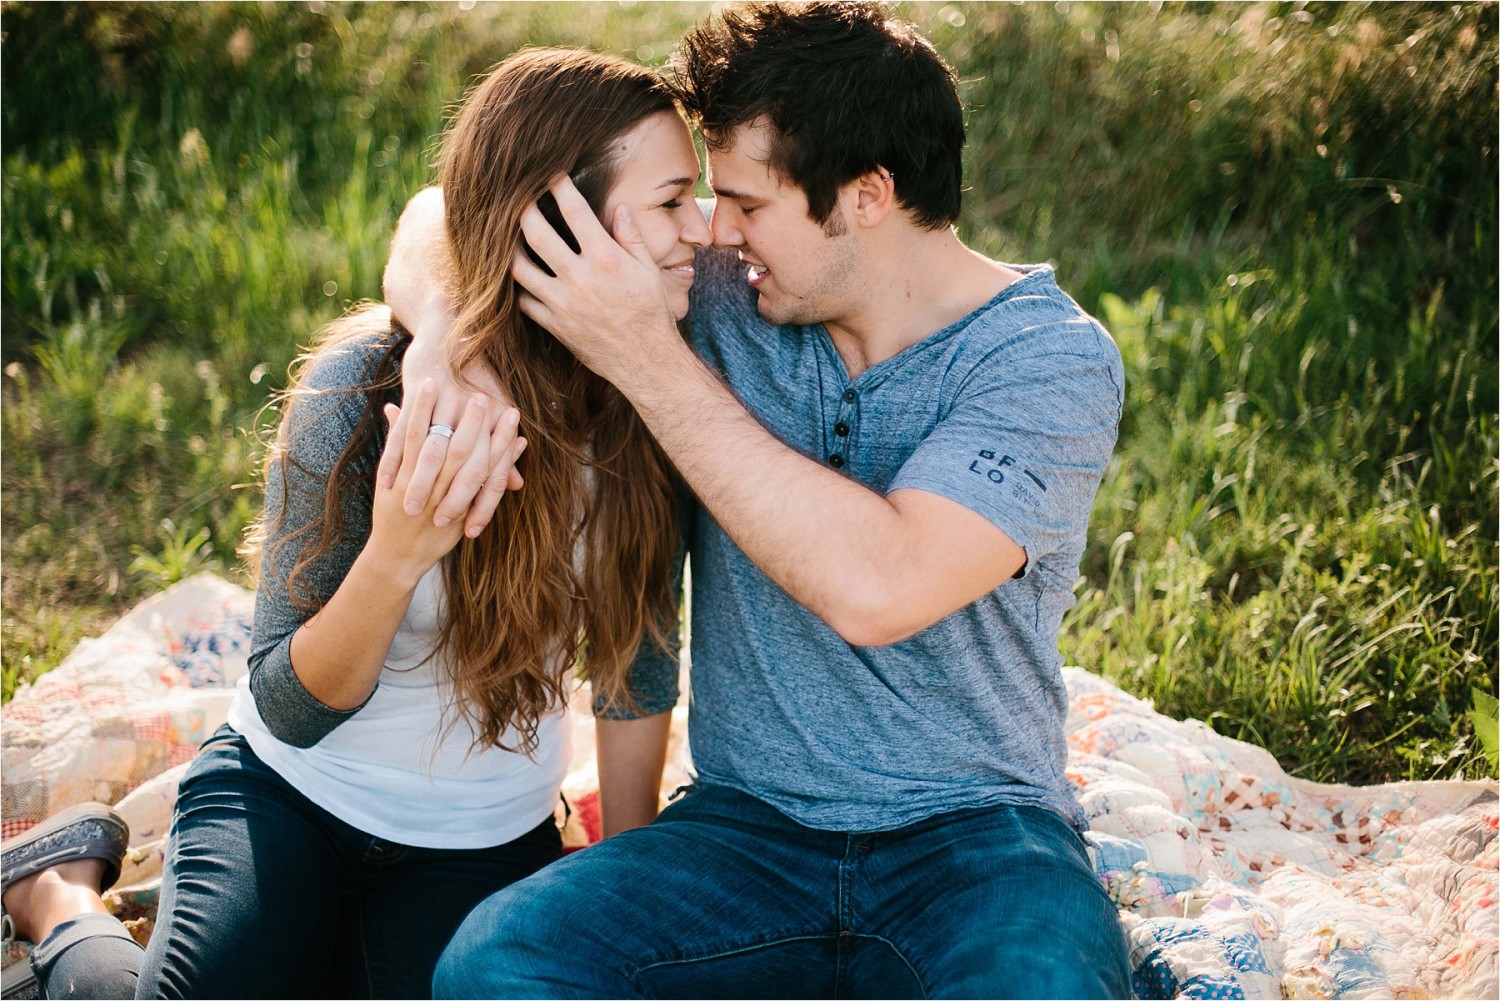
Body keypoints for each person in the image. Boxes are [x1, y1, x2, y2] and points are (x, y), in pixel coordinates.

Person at [387, 3, 1132, 998]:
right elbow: (443, 213)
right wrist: (440, 333)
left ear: (866, 196)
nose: (714, 228)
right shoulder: (732, 292)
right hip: (744, 830)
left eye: (745, 201)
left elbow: (881, 585)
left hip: (979, 839)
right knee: (499, 960)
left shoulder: (1044, 359)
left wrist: (646, 356)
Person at [0, 47, 711, 1000]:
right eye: (671, 201)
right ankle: (54, 893)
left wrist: (622, 877)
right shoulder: (366, 391)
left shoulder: (664, 398)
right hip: (291, 794)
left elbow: (637, 659)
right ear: (561, 222)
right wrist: (399, 552)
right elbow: (289, 708)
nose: (701, 228)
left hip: (479, 837)